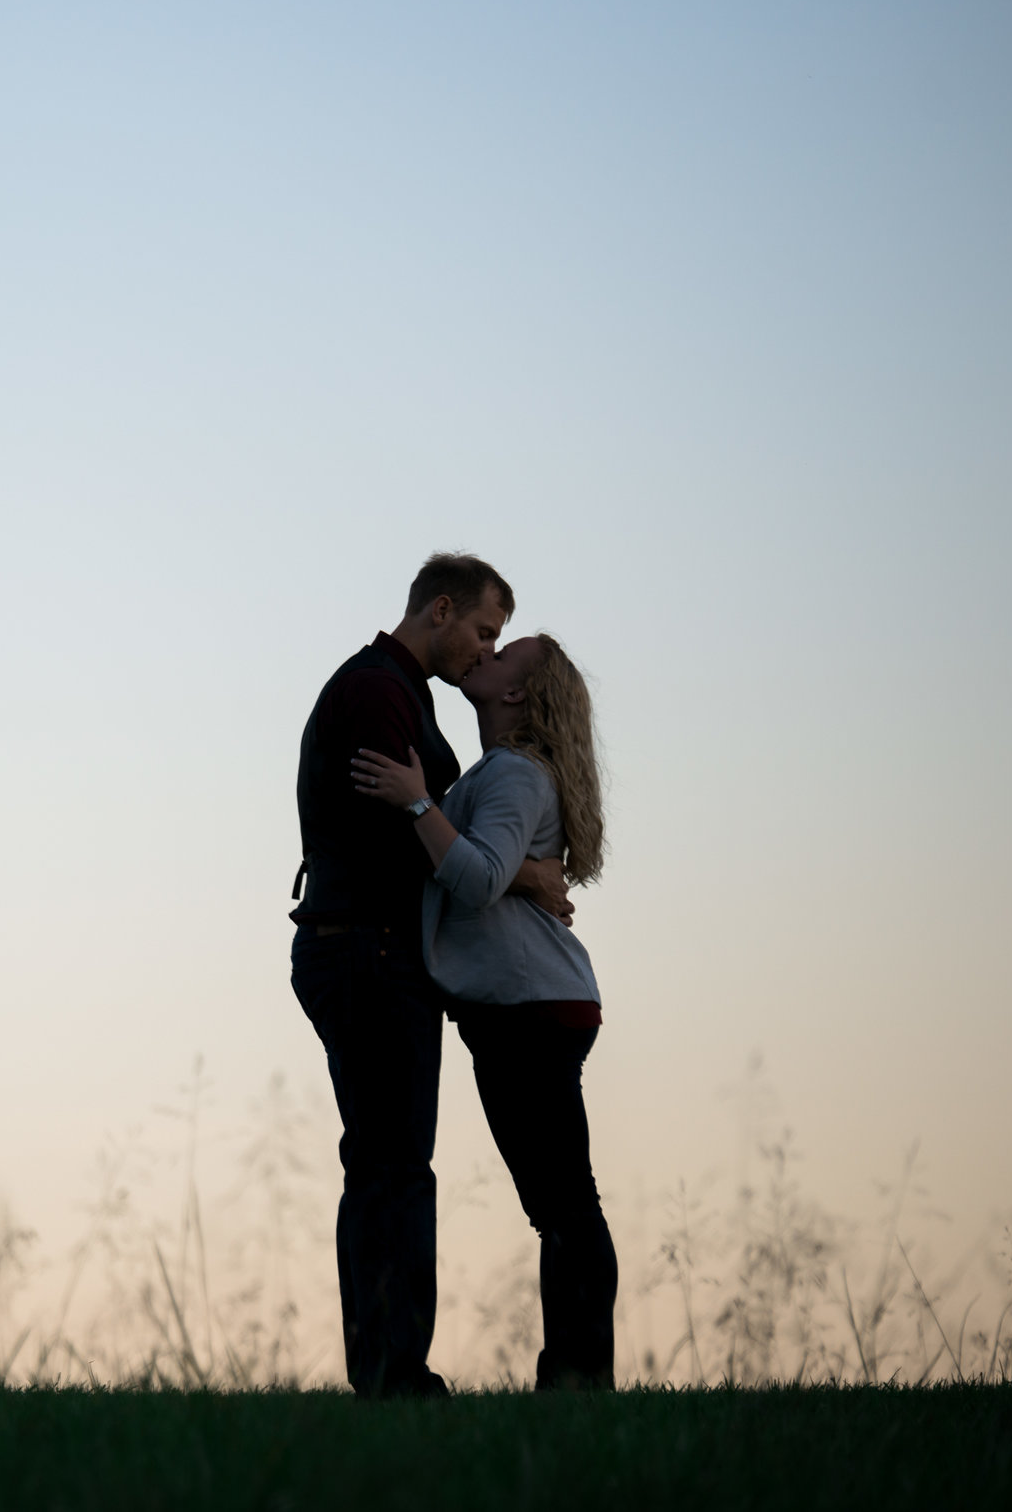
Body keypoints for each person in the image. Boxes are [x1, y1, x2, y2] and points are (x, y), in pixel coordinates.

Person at [288, 553, 572, 1399]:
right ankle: (392, 1374)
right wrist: (521, 874)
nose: (484, 653)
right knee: (392, 1166)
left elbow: (432, 821)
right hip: (366, 950)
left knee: (389, 1162)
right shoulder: (379, 693)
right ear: (439, 610)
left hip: (372, 950)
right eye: (483, 631)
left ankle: (389, 1369)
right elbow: (408, 830)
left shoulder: (397, 693)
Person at [352, 631, 617, 1390]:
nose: (487, 657)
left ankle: (578, 1379)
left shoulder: (513, 775)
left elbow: (472, 877)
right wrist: (530, 873)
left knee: (565, 1207)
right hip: (527, 1008)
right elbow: (489, 871)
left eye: (506, 655)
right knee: (561, 1205)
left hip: (531, 1010)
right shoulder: (506, 774)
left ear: (517, 694)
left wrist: (414, 802)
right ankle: (573, 1377)